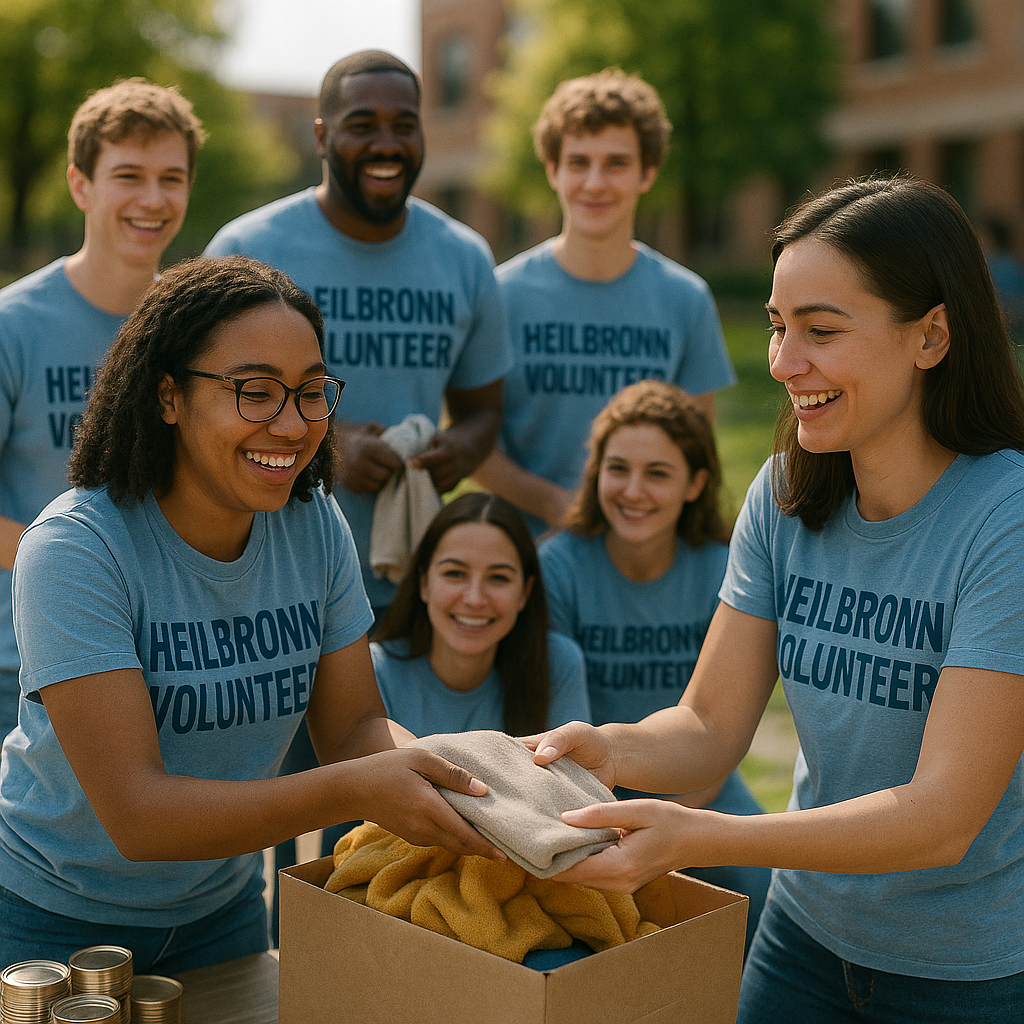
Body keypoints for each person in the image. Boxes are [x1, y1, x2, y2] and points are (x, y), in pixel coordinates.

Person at [526, 175, 1024, 1022]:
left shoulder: (1003, 520)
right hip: (801, 947)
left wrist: (704, 837)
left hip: (963, 977)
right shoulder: (787, 489)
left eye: (821, 331)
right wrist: (606, 750)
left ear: (932, 335)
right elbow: (711, 728)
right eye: (777, 326)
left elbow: (943, 817)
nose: (784, 364)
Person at [0, 256, 499, 975]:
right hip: (54, 924)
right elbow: (138, 815)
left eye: (310, 393)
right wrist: (360, 788)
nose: (293, 426)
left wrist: (458, 776)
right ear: (168, 395)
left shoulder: (313, 521)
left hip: (220, 914)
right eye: (256, 392)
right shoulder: (75, 550)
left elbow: (353, 727)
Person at [204, 49, 511, 613]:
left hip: (414, 587)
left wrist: (457, 452)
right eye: (362, 125)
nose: (386, 144)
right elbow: (201, 413)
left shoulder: (465, 257)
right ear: (322, 136)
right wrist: (327, 444)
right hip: (265, 583)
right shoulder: (247, 250)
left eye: (404, 126)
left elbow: (483, 410)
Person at [0, 77, 205, 739]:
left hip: (169, 670)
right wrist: (88, 573)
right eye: (129, 175)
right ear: (80, 185)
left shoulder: (200, 330)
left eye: (171, 177)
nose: (153, 199)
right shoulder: (14, 326)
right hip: (25, 675)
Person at [537, 379, 769, 952]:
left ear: (695, 483)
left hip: (704, 783)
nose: (633, 490)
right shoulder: (558, 567)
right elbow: (562, 727)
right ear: (597, 474)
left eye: (658, 473)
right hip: (593, 784)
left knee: (761, 884)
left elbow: (720, 732)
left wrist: (679, 822)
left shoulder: (725, 569)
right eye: (618, 468)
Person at [472, 69, 735, 536]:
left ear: (647, 173)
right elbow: (475, 446)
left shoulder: (686, 299)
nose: (595, 182)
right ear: (552, 170)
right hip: (527, 557)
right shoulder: (501, 295)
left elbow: (696, 449)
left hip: (643, 557)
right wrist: (563, 508)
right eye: (578, 162)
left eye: (616, 163)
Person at [372, 491, 591, 738]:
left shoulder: (558, 664)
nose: (474, 599)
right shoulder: (375, 672)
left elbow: (570, 776)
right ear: (424, 583)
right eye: (455, 573)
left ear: (525, 593)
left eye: (498, 578)